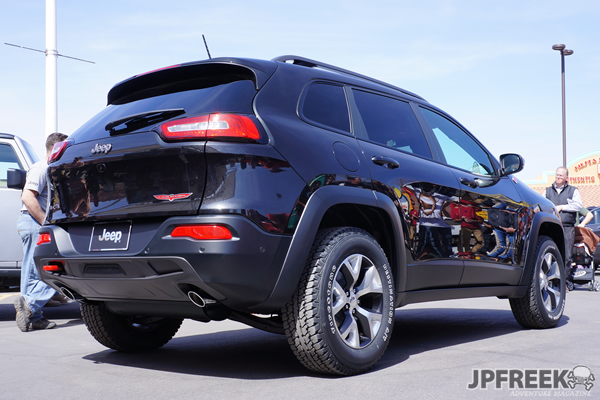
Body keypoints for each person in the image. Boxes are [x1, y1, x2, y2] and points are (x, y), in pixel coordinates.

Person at [14, 132, 68, 332]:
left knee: (32, 273)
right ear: (55, 148)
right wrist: (46, 223)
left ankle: (33, 316)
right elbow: (28, 197)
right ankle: (31, 305)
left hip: (33, 223)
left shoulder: (51, 169)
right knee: (55, 268)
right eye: (64, 149)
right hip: (34, 222)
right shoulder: (40, 168)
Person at [545, 166, 582, 287]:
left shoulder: (573, 190)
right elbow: (542, 204)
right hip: (551, 228)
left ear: (566, 178)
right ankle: (550, 281)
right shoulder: (547, 191)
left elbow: (578, 206)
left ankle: (564, 283)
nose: (558, 177)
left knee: (566, 256)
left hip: (567, 228)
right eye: (557, 175)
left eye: (561, 175)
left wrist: (562, 207)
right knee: (550, 254)